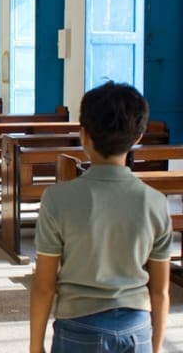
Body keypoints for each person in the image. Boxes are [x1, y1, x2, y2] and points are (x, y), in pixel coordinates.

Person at [29, 81, 172, 353]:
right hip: (136, 325)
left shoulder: (57, 199)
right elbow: (160, 290)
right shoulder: (156, 202)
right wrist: (154, 346)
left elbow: (44, 286)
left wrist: (36, 346)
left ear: (83, 135)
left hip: (78, 327)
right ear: (138, 137)